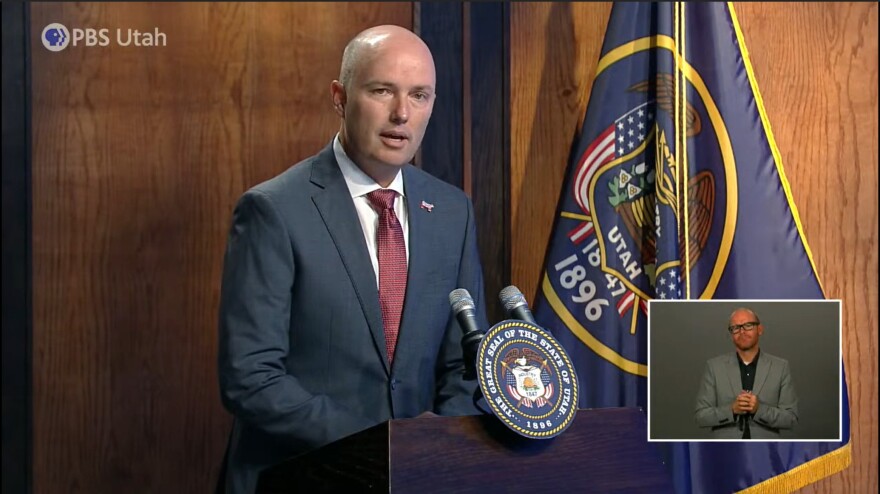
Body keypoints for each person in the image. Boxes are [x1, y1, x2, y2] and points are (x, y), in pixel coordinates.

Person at [215, 25, 488, 494]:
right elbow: (250, 378)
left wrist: (434, 447)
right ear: (340, 98)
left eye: (419, 95)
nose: (401, 113)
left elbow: (465, 363)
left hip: (421, 477)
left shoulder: (451, 211)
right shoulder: (274, 209)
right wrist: (379, 443)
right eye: (382, 91)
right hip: (303, 476)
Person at [694, 307, 798, 439]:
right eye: (735, 328)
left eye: (748, 326)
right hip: (725, 449)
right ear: (731, 334)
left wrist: (759, 410)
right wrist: (731, 410)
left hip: (766, 449)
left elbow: (791, 419)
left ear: (759, 329)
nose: (742, 332)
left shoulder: (780, 367)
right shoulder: (714, 367)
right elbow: (701, 417)